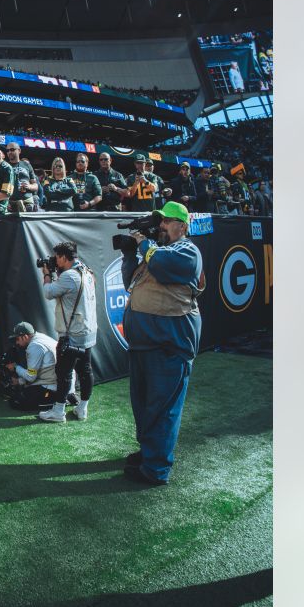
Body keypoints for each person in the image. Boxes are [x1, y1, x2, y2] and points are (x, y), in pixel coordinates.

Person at [120, 201, 205, 486]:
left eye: (167, 221)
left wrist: (144, 245)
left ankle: (156, 468)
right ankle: (149, 452)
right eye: (161, 221)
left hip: (169, 344)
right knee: (144, 405)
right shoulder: (155, 252)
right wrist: (129, 254)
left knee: (163, 407)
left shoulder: (187, 251)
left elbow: (164, 266)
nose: (161, 226)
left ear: (182, 225)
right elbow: (130, 282)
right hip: (144, 343)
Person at [39, 241, 98, 423]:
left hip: (72, 334)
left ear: (64, 257)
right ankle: (82, 409)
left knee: (63, 372)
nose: (55, 260)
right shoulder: (86, 271)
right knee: (85, 370)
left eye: (57, 257)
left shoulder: (69, 276)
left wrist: (47, 274)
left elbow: (49, 292)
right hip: (88, 332)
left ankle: (58, 412)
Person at [7, 322, 60, 411]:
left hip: (53, 388)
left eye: (17, 338)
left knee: (16, 401)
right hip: (59, 382)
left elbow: (31, 377)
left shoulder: (35, 346)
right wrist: (19, 381)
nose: (16, 342)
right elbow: (38, 372)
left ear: (25, 336)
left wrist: (16, 367)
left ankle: (54, 402)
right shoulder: (41, 337)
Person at [4, 142, 39, 213]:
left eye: (12, 149)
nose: (9, 152)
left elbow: (36, 186)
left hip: (27, 202)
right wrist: (4, 201)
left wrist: (29, 186)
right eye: (8, 150)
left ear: (19, 151)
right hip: (11, 203)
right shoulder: (5, 166)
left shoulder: (27, 165)